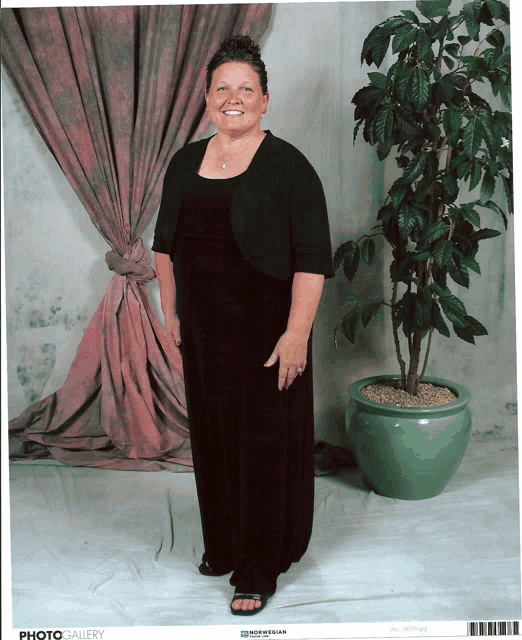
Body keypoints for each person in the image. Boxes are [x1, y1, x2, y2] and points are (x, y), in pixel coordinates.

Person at [152, 35, 334, 616]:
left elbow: (311, 258)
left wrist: (296, 334)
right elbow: (163, 247)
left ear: (265, 99)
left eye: (246, 89)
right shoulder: (184, 162)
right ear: (206, 99)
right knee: (213, 439)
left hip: (267, 334)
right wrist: (171, 311)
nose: (234, 99)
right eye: (222, 89)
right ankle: (224, 545)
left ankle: (257, 566)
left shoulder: (290, 166)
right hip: (205, 334)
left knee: (261, 446)